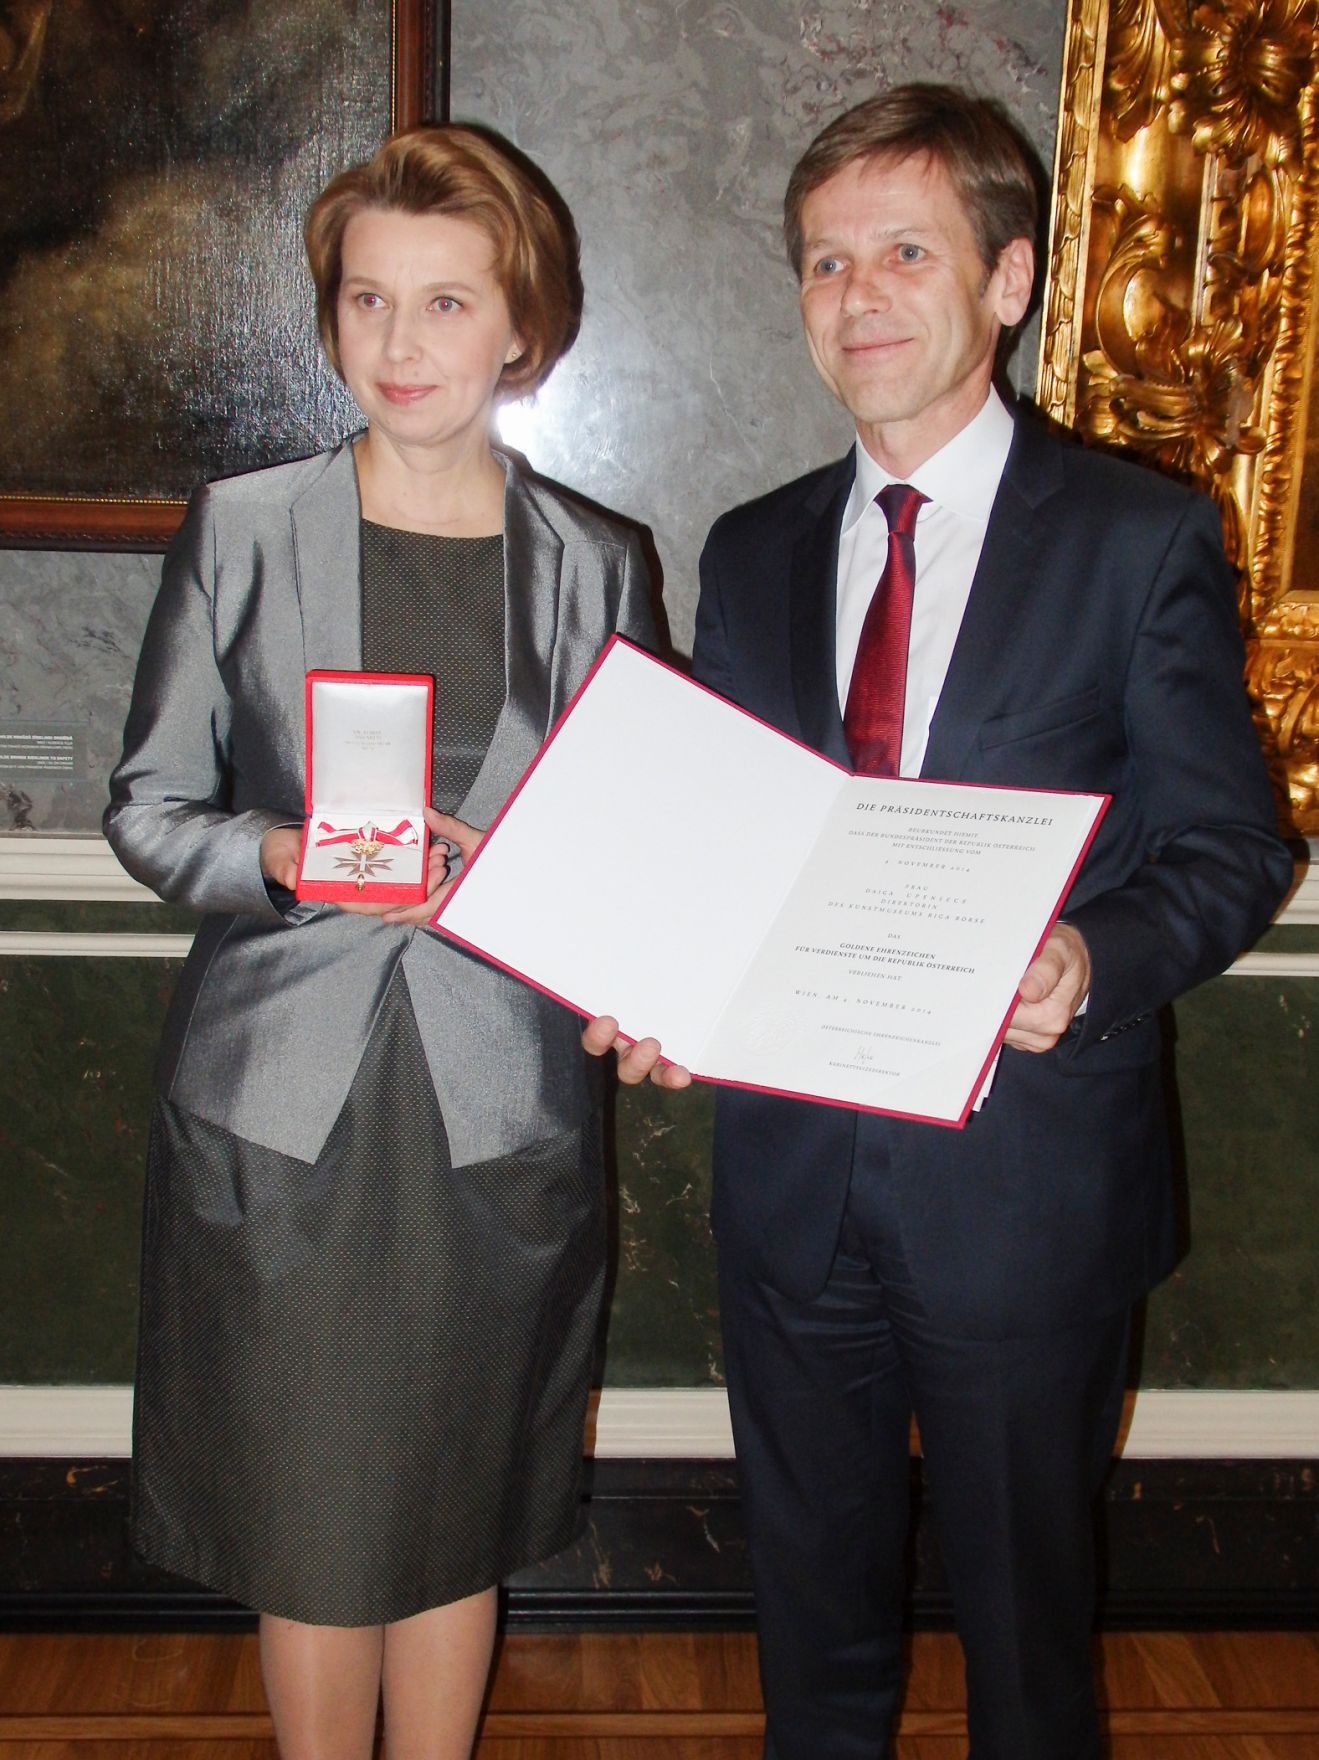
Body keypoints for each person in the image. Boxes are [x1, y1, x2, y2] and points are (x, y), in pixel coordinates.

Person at [585, 84, 1292, 1759]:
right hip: (792, 1191)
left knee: (1030, 1662)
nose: (859, 296)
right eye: (825, 263)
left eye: (907, 250)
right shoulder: (750, 551)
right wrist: (653, 981)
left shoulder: (1141, 539)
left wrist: (1091, 959)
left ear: (1012, 280)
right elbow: (724, 846)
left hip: (1025, 1196)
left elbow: (1231, 843)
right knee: (812, 1653)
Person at [106, 124, 654, 1760]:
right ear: (332, 319)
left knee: (455, 1504)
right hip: (284, 1113)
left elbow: (626, 854)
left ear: (519, 327)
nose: (401, 345)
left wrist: (544, 885)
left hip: (499, 1116)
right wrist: (283, 852)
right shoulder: (246, 527)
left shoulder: (597, 566)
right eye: (367, 302)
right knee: (315, 1520)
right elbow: (147, 810)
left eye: (445, 304)